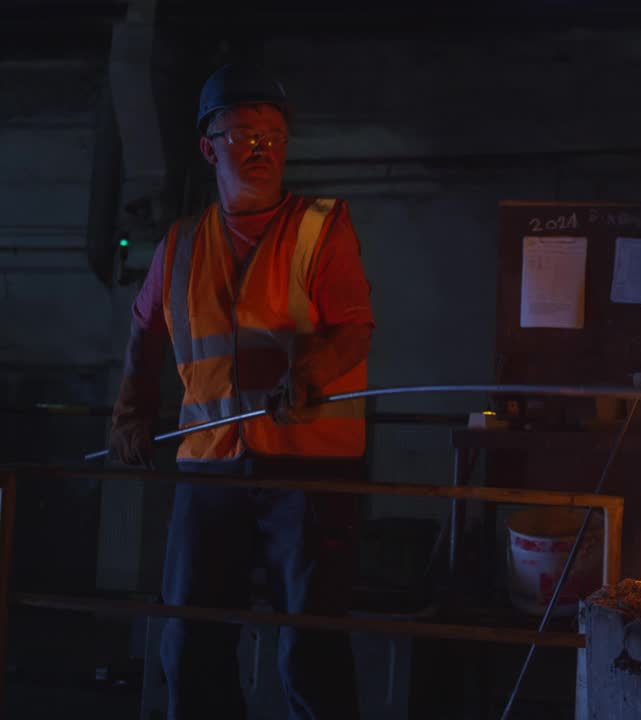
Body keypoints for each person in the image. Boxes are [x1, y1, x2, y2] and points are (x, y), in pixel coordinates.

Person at [108, 63, 375, 719]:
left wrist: (307, 376)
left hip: (306, 467)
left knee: (308, 650)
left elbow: (353, 330)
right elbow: (144, 334)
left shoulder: (321, 226)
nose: (262, 150)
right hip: (210, 466)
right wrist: (133, 413)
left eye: (274, 137)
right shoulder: (181, 243)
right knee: (191, 640)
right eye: (244, 135)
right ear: (208, 147)